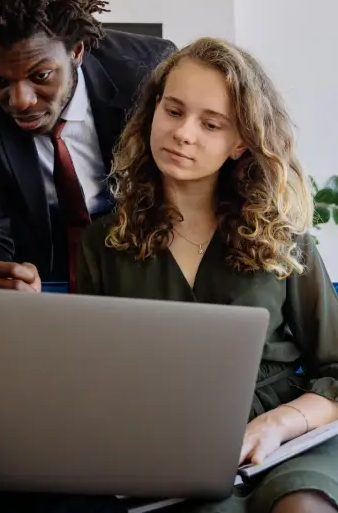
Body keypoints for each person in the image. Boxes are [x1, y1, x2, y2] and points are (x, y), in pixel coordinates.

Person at [76, 37, 338, 513]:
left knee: (304, 507)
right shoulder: (103, 243)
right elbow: (93, 384)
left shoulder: (284, 238)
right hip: (172, 446)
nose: (183, 133)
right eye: (173, 111)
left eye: (210, 124)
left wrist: (275, 426)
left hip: (287, 435)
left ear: (241, 141)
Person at [0, 0, 176, 292]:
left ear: (77, 51)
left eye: (40, 76)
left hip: (144, 263)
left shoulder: (146, 72)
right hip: (40, 273)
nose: (20, 101)